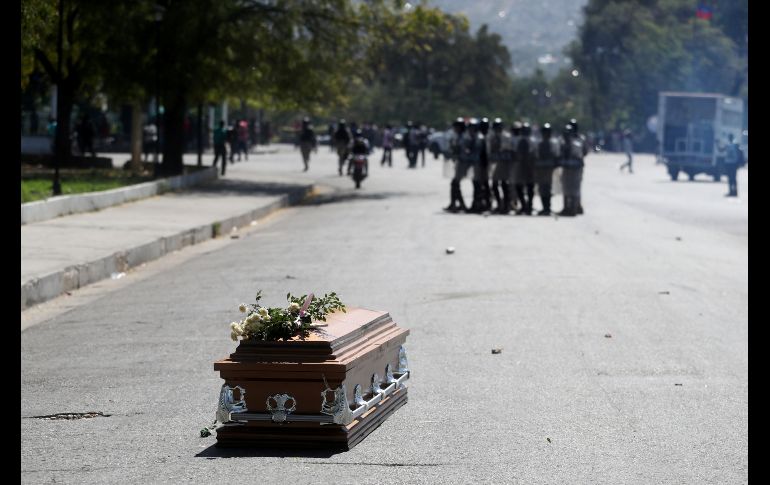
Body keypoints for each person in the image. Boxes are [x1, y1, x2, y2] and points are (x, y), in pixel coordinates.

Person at [559, 123, 587, 216]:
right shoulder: (577, 140)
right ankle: (570, 207)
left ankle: (573, 208)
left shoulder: (577, 141)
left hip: (574, 168)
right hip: (572, 167)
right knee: (570, 188)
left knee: (572, 188)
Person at [488, 118, 514, 214]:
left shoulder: (506, 137)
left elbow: (508, 149)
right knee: (494, 184)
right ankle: (499, 204)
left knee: (504, 184)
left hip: (504, 163)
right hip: (495, 162)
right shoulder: (492, 137)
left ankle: (506, 205)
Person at [534, 123, 561, 216]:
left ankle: (547, 208)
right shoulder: (539, 144)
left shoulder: (553, 144)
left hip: (549, 170)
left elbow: (557, 156)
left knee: (548, 188)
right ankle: (544, 207)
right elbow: (536, 156)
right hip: (541, 169)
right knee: (542, 189)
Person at [443, 117, 469, 212]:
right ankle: (455, 203)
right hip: (459, 162)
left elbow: (463, 150)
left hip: (463, 162)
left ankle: (460, 204)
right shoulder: (457, 137)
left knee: (455, 183)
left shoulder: (464, 137)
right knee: (454, 184)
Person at [513, 122, 536, 215]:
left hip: (529, 166)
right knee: (520, 186)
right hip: (522, 165)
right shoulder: (520, 140)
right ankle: (525, 205)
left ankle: (528, 206)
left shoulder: (532, 141)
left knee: (529, 186)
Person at [568, 119, 588, 214]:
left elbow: (585, 151)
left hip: (575, 165)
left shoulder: (572, 138)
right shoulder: (581, 138)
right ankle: (575, 206)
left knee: (573, 186)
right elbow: (585, 152)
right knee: (575, 187)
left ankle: (575, 207)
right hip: (577, 165)